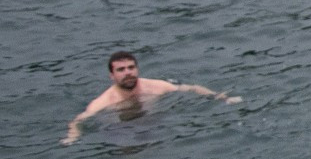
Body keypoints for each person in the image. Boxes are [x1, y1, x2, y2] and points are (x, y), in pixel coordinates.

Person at [65, 51, 239, 144]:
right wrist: (72, 136)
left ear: (137, 68)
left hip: (154, 122)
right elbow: (79, 120)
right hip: (122, 128)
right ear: (111, 75)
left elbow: (192, 88)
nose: (128, 73)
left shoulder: (156, 86)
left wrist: (222, 98)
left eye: (131, 67)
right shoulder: (104, 101)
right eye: (121, 70)